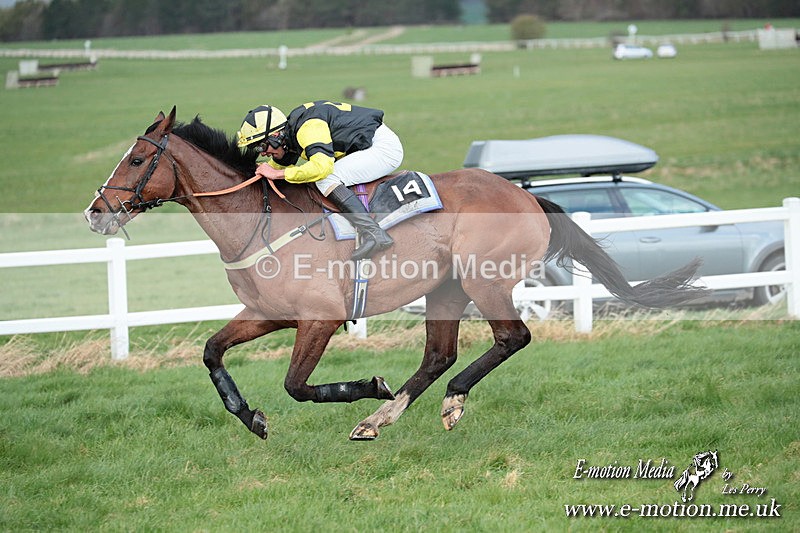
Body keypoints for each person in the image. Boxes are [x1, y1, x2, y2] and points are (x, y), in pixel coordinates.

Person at [236, 101, 404, 261]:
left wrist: (279, 174)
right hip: (367, 144)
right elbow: (278, 165)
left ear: (275, 135)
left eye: (261, 146)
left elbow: (321, 168)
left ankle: (374, 234)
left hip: (383, 148)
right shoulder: (289, 133)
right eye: (256, 149)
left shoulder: (308, 128)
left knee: (326, 178)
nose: (262, 153)